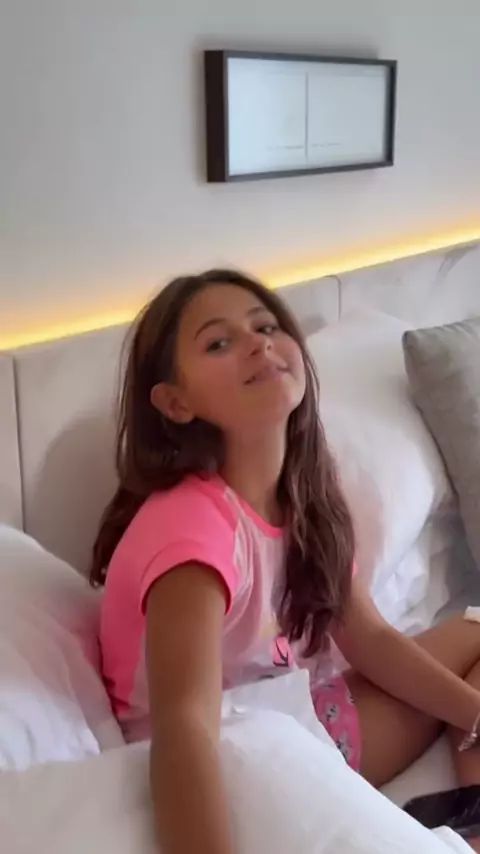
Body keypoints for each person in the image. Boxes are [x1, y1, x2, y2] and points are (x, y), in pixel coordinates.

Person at [92, 269, 480, 854]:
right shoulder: (190, 529)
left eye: (267, 326)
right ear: (175, 402)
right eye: (218, 343)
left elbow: (368, 636)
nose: (258, 344)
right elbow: (185, 728)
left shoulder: (302, 494)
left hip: (287, 717)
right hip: (233, 759)